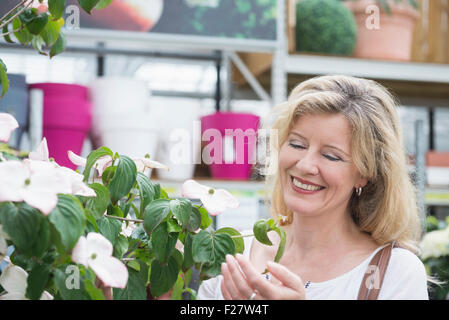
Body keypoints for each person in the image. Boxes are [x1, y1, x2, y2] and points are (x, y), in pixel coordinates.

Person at [197, 75, 429, 300]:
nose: (305, 165)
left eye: (331, 156)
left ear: (365, 174)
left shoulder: (394, 272)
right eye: (297, 144)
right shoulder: (235, 254)